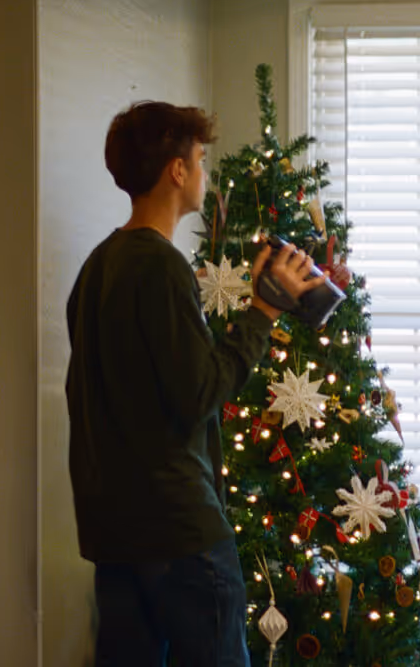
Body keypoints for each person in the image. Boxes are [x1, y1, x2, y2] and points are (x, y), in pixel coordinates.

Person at [65, 101, 326, 666]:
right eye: (200, 160)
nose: (204, 173)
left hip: (115, 537)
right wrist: (263, 309)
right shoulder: (159, 267)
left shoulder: (95, 268)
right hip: (178, 535)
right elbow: (199, 392)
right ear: (177, 170)